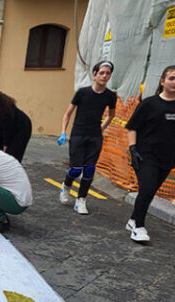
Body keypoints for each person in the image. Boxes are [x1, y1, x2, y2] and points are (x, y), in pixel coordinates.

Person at [125, 65, 175, 242]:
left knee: (150, 192)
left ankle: (133, 219)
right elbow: (132, 128)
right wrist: (133, 149)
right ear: (162, 81)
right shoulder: (149, 104)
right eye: (171, 78)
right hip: (145, 154)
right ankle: (138, 227)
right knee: (147, 188)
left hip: (167, 156)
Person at [57, 61, 116, 215]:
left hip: (95, 136)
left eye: (108, 73)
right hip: (78, 134)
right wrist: (63, 132)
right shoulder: (82, 92)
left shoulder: (110, 96)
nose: (104, 76)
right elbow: (67, 113)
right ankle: (66, 184)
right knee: (76, 170)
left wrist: (100, 129)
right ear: (94, 75)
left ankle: (81, 200)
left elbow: (111, 115)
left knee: (89, 169)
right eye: (101, 72)